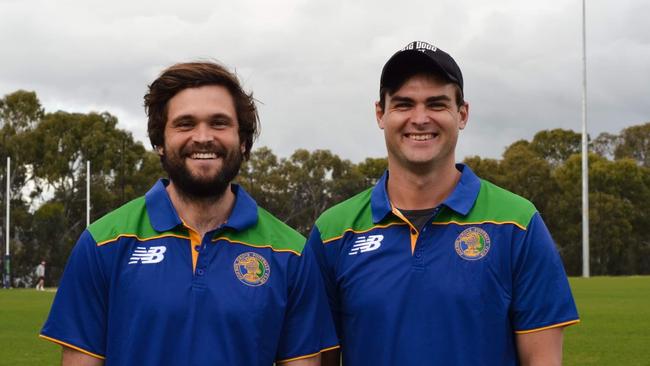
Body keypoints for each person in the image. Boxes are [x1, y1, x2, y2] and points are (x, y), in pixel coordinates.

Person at [40, 61, 338, 366]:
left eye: (219, 123)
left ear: (244, 141)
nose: (203, 137)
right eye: (185, 124)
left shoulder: (291, 253)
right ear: (159, 141)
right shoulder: (103, 243)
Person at [311, 41, 580, 366]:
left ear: (462, 113)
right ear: (380, 114)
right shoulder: (333, 232)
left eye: (436, 104)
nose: (420, 118)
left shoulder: (517, 223)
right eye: (404, 104)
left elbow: (543, 359)